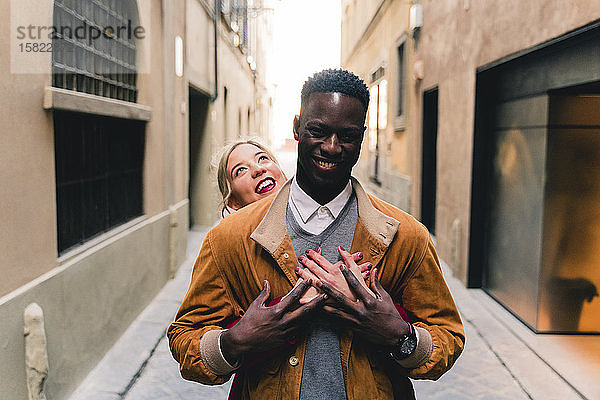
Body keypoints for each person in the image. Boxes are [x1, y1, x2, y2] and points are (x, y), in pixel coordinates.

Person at [168, 69, 464, 399]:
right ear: (296, 127)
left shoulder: (406, 237)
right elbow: (184, 337)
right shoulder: (229, 239)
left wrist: (398, 334)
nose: (332, 147)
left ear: (362, 137)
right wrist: (238, 340)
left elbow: (448, 336)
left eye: (347, 136)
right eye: (318, 131)